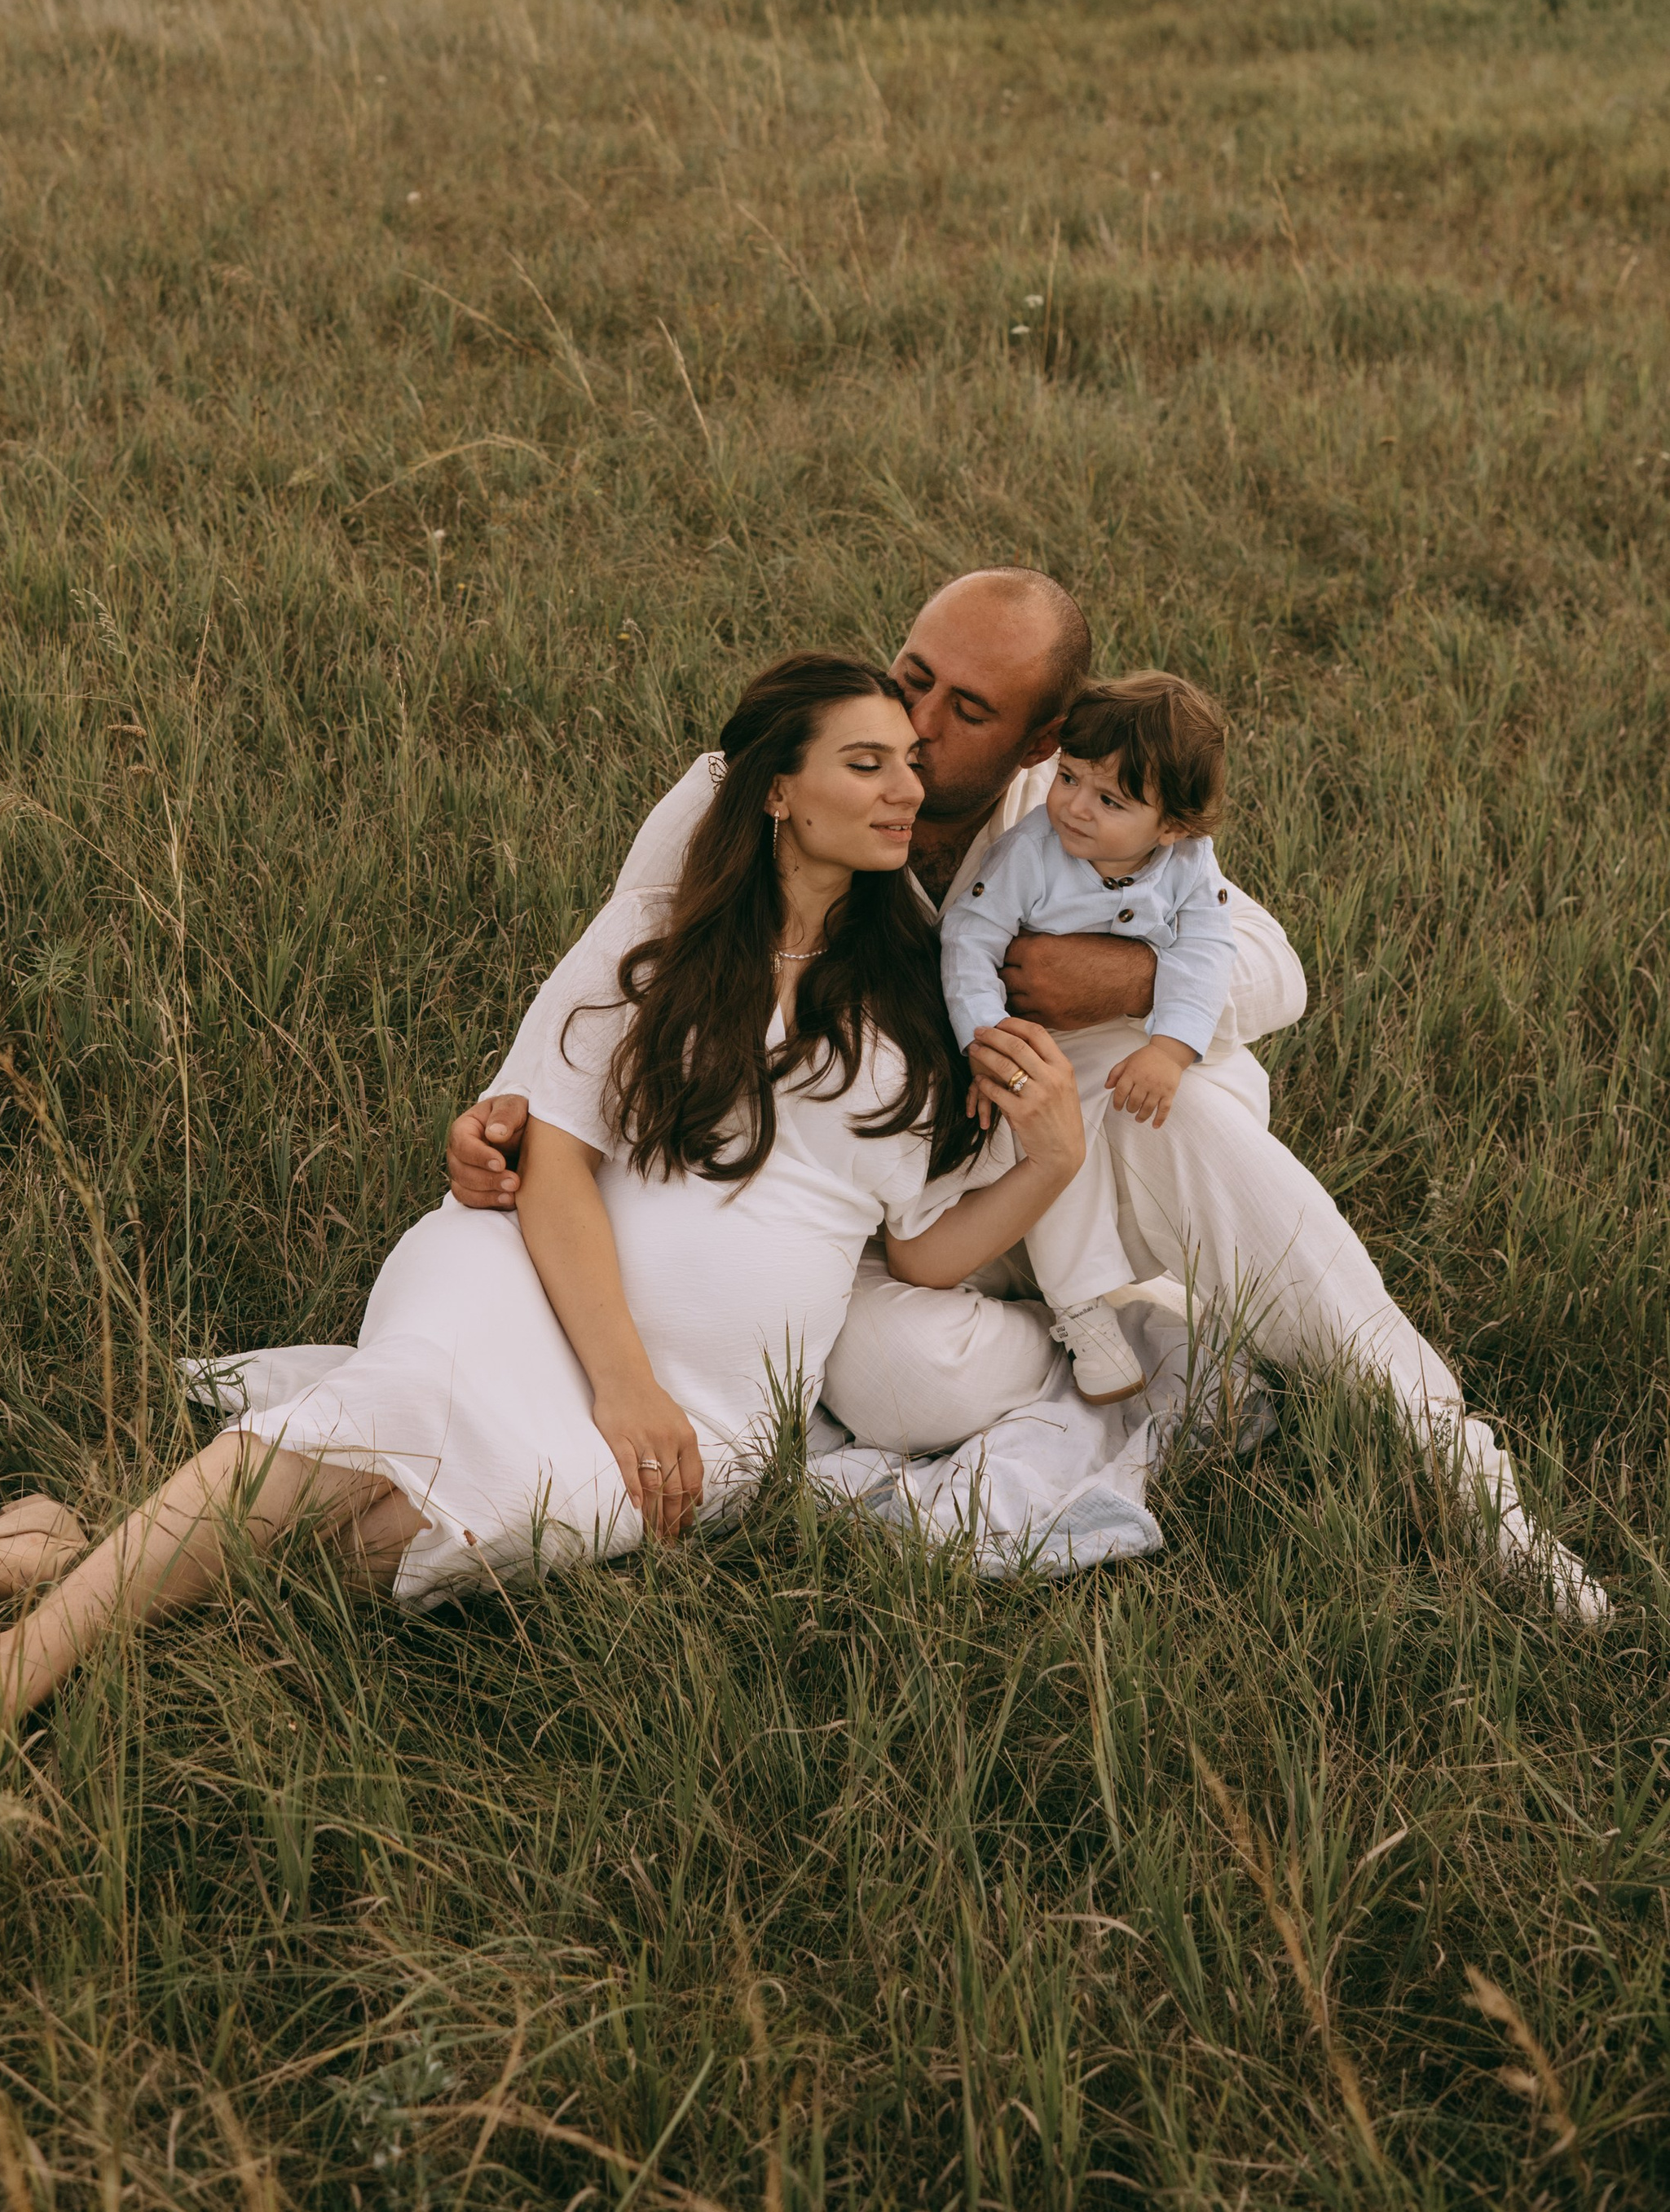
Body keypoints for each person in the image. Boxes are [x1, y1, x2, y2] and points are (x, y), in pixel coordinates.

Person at [0, 654, 1094, 1825]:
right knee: (385, 1416)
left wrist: (1053, 1158)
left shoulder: (921, 992)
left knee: (395, 1541)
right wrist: (619, 1381)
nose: (906, 786)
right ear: (778, 791)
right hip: (531, 1280)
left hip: (715, 1407)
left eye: (913, 766)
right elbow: (549, 1156)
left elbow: (923, 1256)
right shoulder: (657, 934)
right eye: (867, 761)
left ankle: (57, 1545)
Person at [447, 569, 1610, 1621]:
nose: (915, 727)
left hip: (1089, 1143)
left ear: (1044, 741)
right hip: (911, 1206)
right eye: (914, 681)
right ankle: (1144, 1342)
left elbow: (1275, 966)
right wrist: (507, 1109)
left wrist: (1130, 977)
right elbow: (616, 965)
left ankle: (1463, 1475)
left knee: (1194, 1112)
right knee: (893, 1385)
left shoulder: (1083, 814)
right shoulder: (772, 791)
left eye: (968, 712)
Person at [932, 671, 1236, 1408]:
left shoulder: (1189, 864)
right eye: (1066, 778)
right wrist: (986, 1039)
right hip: (1040, 1040)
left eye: (1110, 800)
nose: (1072, 805)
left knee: (1216, 1114)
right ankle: (1078, 1306)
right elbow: (970, 939)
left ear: (1173, 827)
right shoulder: (1031, 853)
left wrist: (1171, 1048)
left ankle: (1203, 1273)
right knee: (1062, 1152)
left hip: (1136, 1040)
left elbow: (1205, 953)